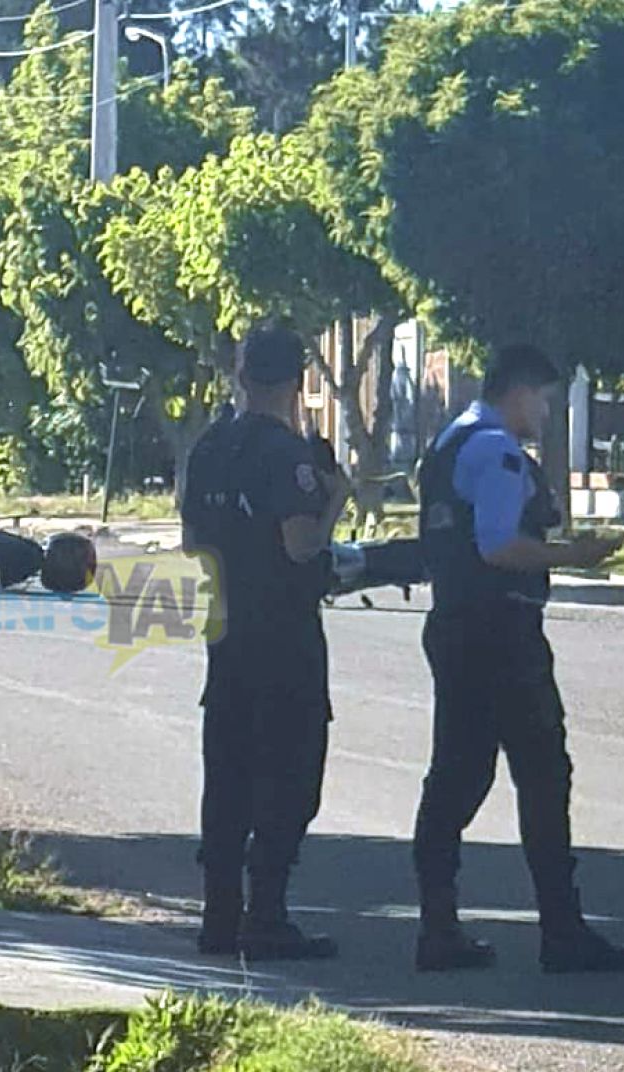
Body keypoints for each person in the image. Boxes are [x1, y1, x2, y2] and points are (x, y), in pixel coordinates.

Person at [410, 343, 624, 975]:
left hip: (456, 624)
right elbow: (498, 545)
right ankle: (562, 931)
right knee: (542, 775)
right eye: (543, 399)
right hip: (502, 633)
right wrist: (575, 556)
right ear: (518, 390)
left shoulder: (452, 439)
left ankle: (438, 927)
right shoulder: (498, 451)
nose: (545, 411)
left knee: (456, 776)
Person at [181, 324, 351, 961]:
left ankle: (219, 913)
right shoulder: (287, 454)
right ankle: (268, 914)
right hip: (284, 631)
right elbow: (301, 544)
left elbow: (192, 543)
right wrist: (335, 501)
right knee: (288, 772)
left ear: (241, 373)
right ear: (298, 380)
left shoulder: (209, 446)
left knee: (227, 772)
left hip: (226, 628)